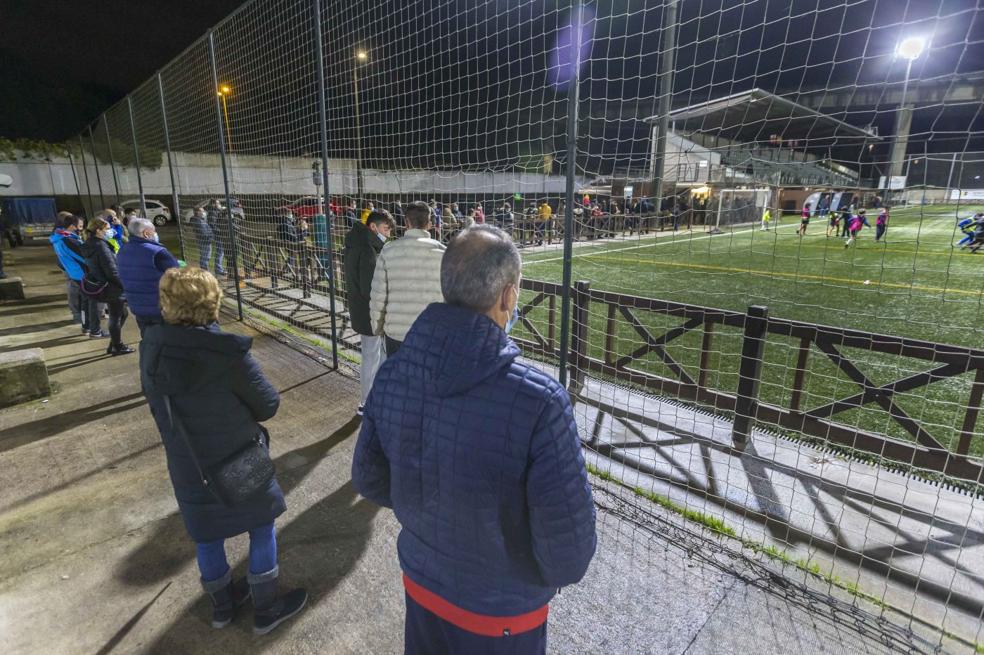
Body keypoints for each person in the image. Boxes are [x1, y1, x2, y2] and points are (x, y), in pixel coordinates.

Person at [353, 225, 597, 655]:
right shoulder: (539, 401)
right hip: (502, 612)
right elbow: (568, 554)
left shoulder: (392, 373)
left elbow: (369, 480)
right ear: (508, 296)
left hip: (423, 581)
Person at [140, 267, 306, 635]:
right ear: (211, 301)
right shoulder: (226, 353)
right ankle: (266, 607)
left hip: (188, 462)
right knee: (261, 527)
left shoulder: (151, 349)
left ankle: (222, 606)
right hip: (237, 458)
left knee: (207, 533)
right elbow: (267, 405)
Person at [369, 200, 445, 357]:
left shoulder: (388, 251)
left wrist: (376, 327)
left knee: (398, 379)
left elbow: (378, 295)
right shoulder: (444, 253)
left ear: (406, 222)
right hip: (432, 334)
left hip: (397, 335)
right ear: (429, 223)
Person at [344, 210, 395, 414]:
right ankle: (366, 403)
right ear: (373, 227)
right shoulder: (367, 250)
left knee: (375, 355)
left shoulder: (356, 242)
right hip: (370, 313)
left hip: (361, 310)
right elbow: (370, 288)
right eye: (385, 229)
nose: (388, 234)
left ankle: (374, 397)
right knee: (372, 357)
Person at [117, 217, 180, 336]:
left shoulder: (122, 250)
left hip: (137, 306)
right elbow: (177, 277)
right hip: (160, 307)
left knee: (148, 339)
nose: (156, 234)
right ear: (146, 233)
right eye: (154, 231)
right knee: (167, 341)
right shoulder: (158, 252)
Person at [81, 217, 133, 355]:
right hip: (112, 287)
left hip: (104, 285)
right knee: (118, 315)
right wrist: (125, 287)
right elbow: (112, 271)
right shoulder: (101, 247)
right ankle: (117, 345)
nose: (109, 231)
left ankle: (114, 344)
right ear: (98, 231)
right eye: (107, 228)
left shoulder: (90, 244)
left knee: (120, 314)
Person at [49, 212, 89, 333]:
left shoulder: (60, 237)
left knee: (84, 301)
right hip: (81, 274)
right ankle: (89, 326)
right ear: (72, 226)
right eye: (80, 226)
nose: (81, 229)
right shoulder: (69, 240)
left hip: (74, 272)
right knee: (87, 303)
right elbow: (85, 257)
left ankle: (86, 325)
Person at [191, 205, 217, 274]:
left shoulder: (199, 220)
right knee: (205, 257)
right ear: (197, 212)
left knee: (204, 257)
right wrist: (210, 238)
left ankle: (204, 271)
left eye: (203, 211)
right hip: (205, 242)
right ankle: (205, 272)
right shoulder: (198, 221)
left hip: (204, 241)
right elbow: (203, 233)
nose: (203, 212)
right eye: (201, 211)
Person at [205, 200, 227, 276]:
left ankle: (219, 268)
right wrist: (220, 232)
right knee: (220, 252)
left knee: (221, 252)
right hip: (218, 235)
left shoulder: (216, 211)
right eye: (218, 203)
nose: (219, 204)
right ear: (214, 204)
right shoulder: (212, 212)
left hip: (219, 234)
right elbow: (212, 225)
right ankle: (218, 269)